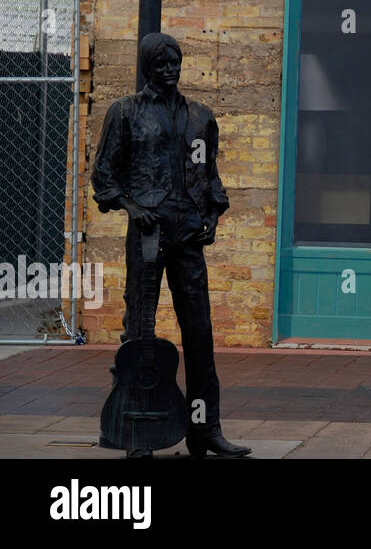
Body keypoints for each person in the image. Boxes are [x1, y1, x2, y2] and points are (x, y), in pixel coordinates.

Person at [91, 32, 251, 459]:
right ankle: (135, 433)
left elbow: (210, 177)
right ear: (147, 65)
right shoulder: (125, 113)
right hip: (148, 233)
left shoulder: (200, 118)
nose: (170, 69)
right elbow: (104, 175)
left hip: (187, 236)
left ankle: (204, 428)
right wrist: (130, 205)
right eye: (161, 63)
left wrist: (213, 217)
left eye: (175, 61)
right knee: (140, 330)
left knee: (200, 333)